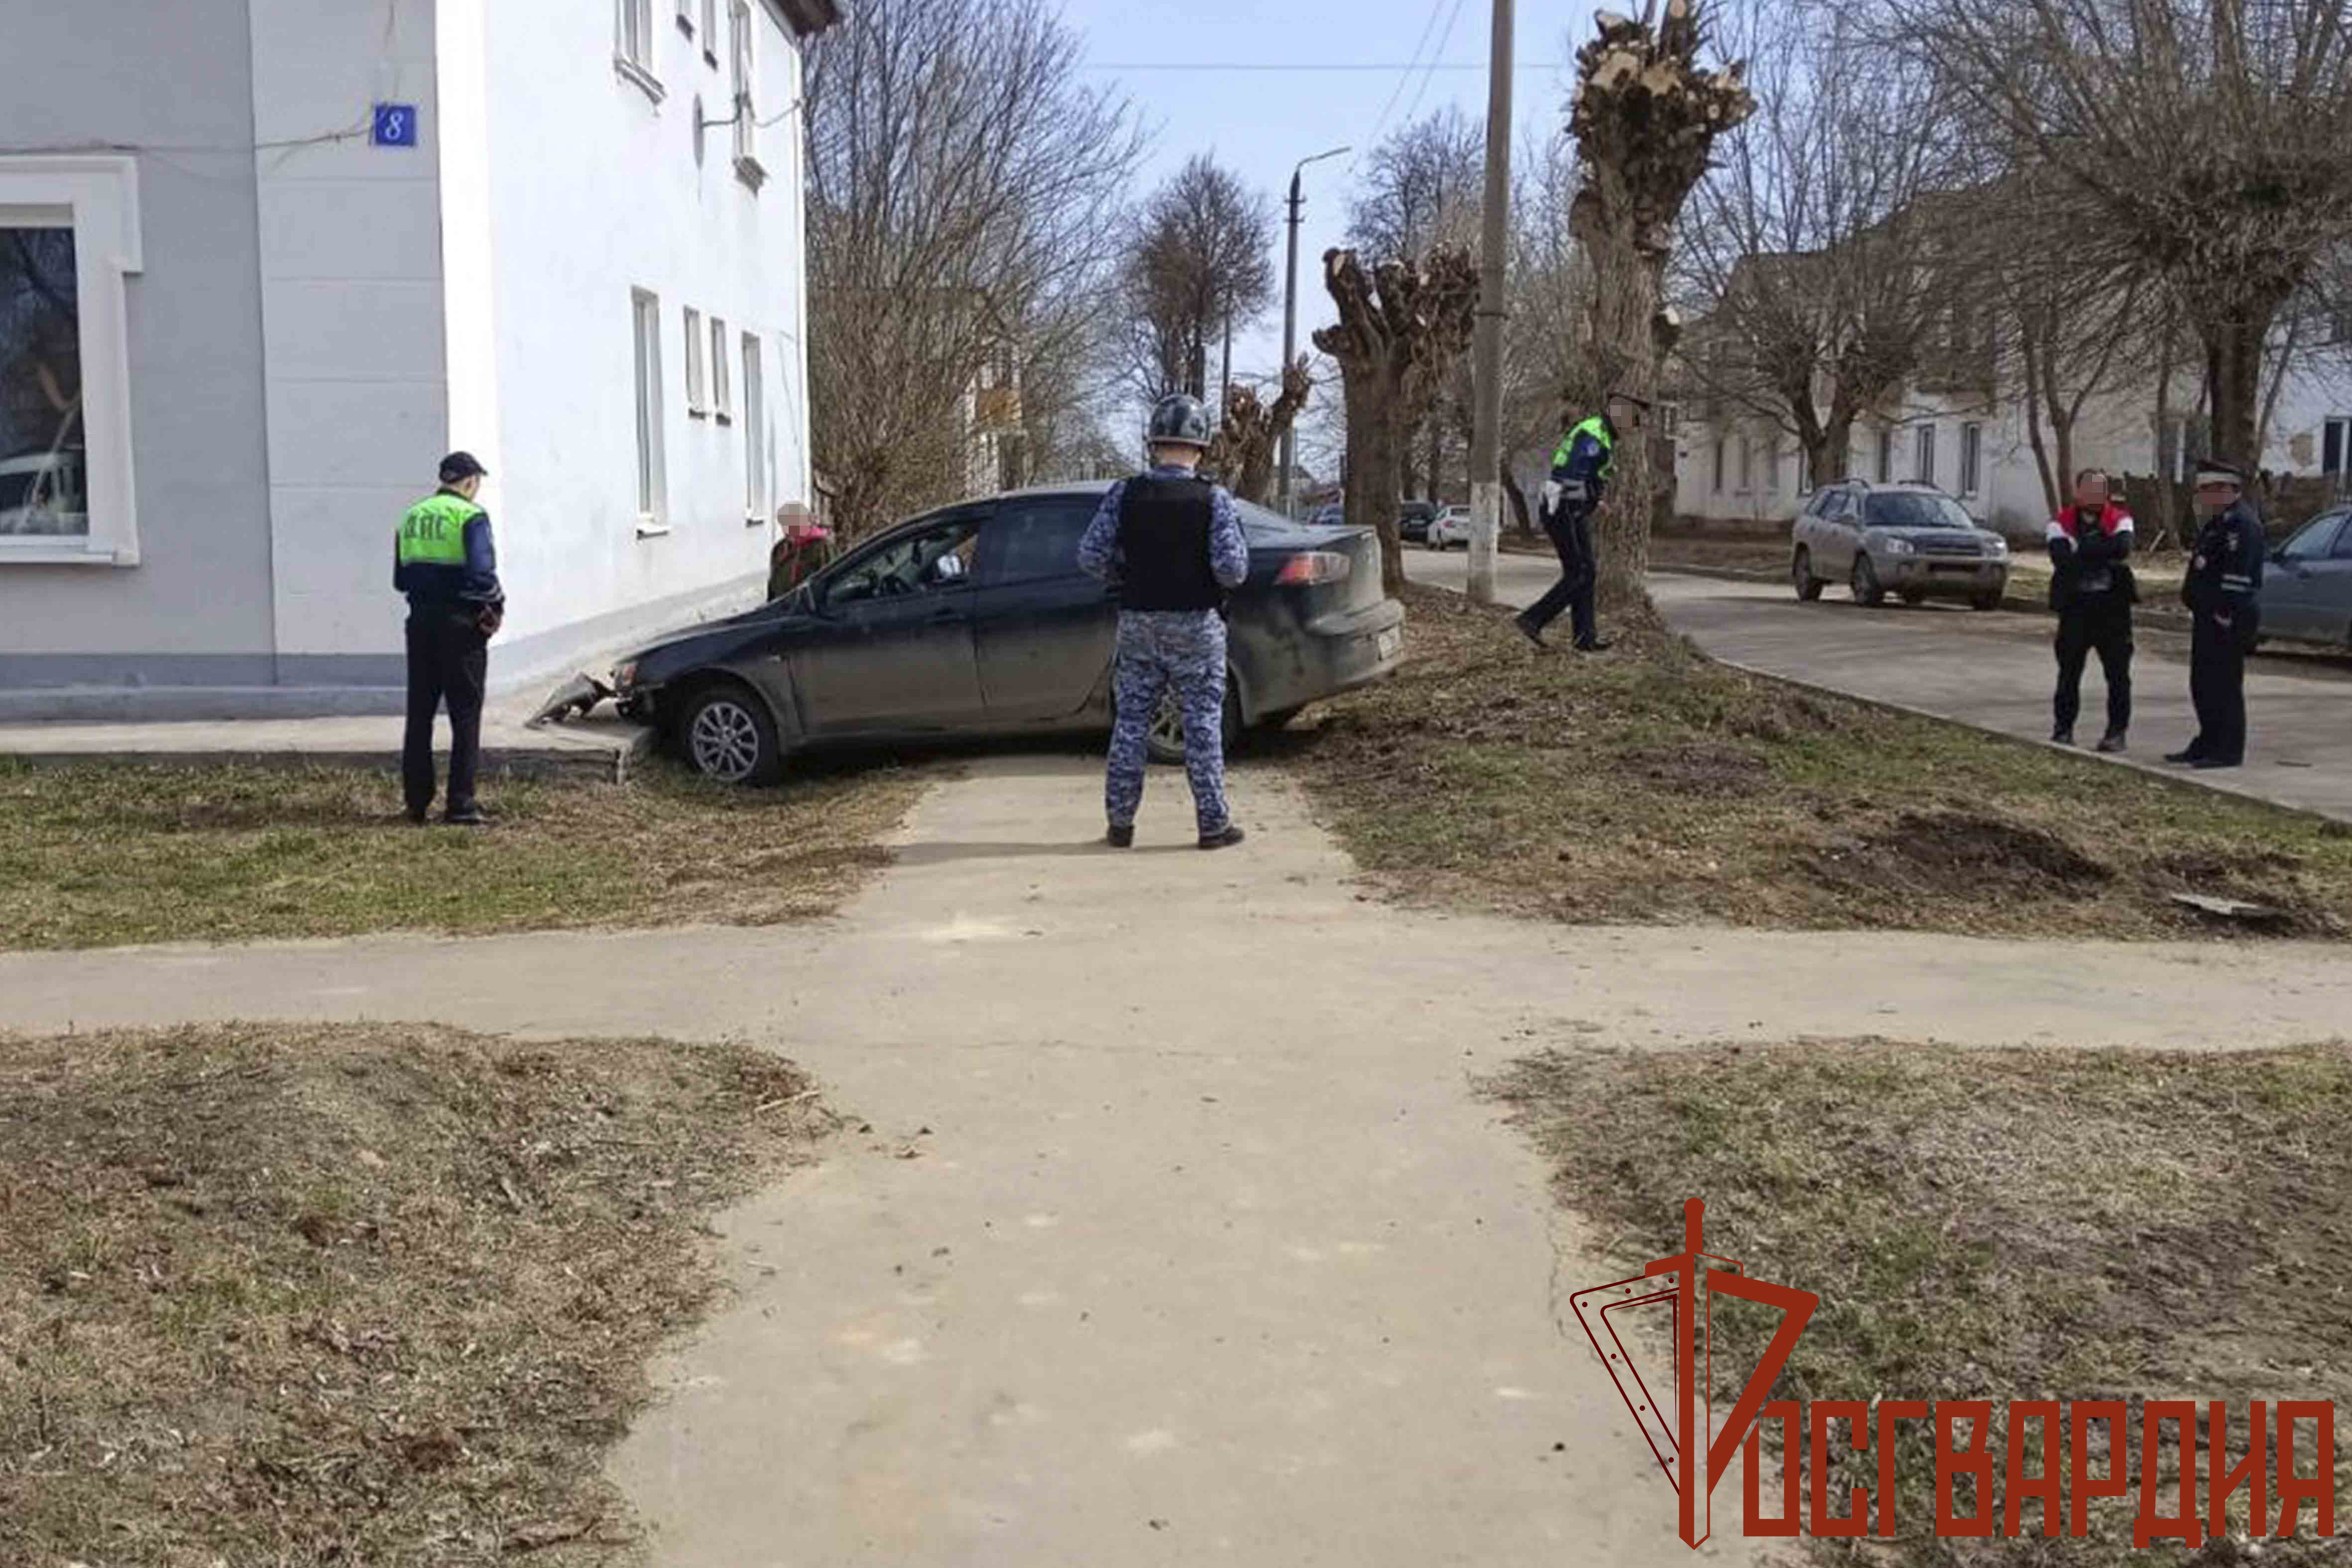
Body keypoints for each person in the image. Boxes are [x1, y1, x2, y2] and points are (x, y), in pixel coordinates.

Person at [1077, 393, 1251, 850]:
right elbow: (1233, 569)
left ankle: (1120, 825)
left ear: (1154, 444)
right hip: (1197, 626)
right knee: (1202, 724)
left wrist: (1125, 574)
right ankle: (1212, 826)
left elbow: (1090, 555)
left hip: (1139, 622)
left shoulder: (1124, 493)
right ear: (1200, 447)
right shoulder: (1212, 498)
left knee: (1131, 723)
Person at [394, 451, 504, 825]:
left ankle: (416, 802)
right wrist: (493, 606)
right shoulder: (470, 516)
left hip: (421, 623)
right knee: (465, 713)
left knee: (420, 714)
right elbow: (483, 575)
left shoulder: (412, 517)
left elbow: (400, 580)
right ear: (470, 482)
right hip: (461, 626)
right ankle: (461, 805)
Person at [1515, 392, 1646, 652]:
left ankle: (1584, 638)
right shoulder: (1594, 435)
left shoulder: (1602, 434)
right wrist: (1587, 500)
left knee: (1587, 572)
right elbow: (1572, 477)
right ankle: (1532, 619)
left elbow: (1582, 478)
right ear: (1618, 414)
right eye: (1633, 419)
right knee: (1578, 573)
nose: (1635, 426)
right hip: (1562, 507)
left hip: (1570, 507)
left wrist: (1594, 502)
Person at [2166, 459, 2266, 770]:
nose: (2202, 497)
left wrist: (2224, 612)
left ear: (2227, 489)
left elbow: (2238, 576)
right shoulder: (2217, 522)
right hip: (2208, 615)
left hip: (2228, 617)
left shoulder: (2242, 525)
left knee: (2224, 684)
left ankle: (2227, 749)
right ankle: (2208, 740)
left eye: (2207, 490)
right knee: (2204, 682)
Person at [2046, 467, 2137, 752]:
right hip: (2076, 608)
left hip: (2113, 610)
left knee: (2118, 675)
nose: (2095, 494)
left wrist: (2084, 550)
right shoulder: (2060, 523)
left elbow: (2122, 549)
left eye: (2101, 489)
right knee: (2069, 672)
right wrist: (2099, 551)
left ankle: (2116, 733)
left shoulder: (2120, 520)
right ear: (2078, 492)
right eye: (2089, 488)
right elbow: (2062, 559)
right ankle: (2063, 730)